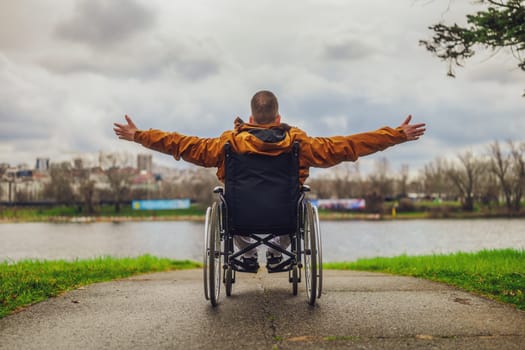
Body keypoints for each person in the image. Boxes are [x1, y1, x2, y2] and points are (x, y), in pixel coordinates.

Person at [114, 90, 426, 271]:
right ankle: (278, 251)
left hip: (241, 217)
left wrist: (141, 136)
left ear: (250, 119)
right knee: (295, 200)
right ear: (278, 118)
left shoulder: (227, 143)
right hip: (283, 216)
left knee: (228, 200)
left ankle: (247, 254)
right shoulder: (298, 143)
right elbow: (345, 146)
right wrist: (394, 136)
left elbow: (181, 144)